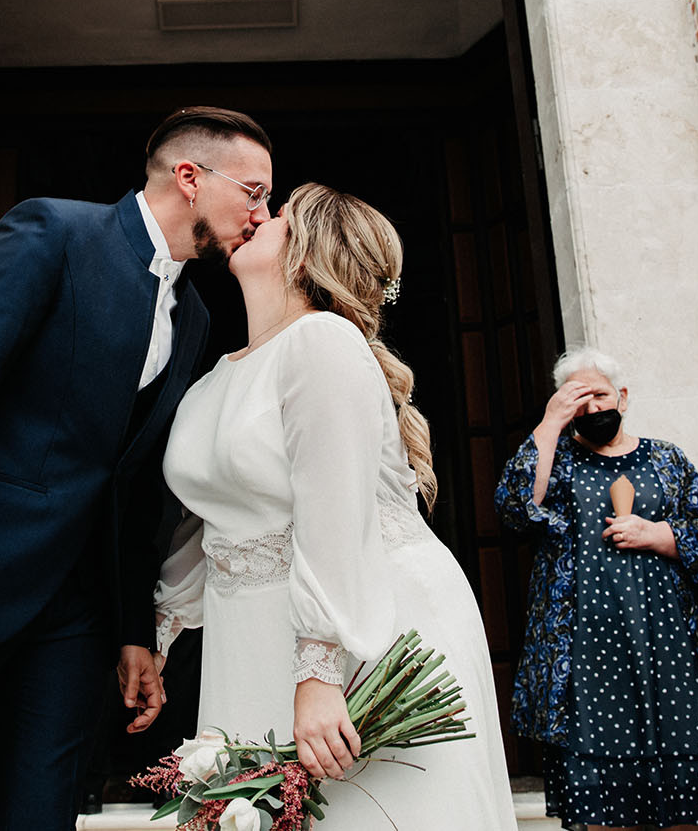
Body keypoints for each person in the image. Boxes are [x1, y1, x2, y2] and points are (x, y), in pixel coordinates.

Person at [0, 107, 270, 830]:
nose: (262, 214)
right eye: (254, 191)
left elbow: (134, 485)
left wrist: (134, 630)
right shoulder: (54, 232)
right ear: (190, 177)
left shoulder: (193, 315)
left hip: (75, 618)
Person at [153, 183, 516, 830]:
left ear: (305, 252)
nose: (256, 217)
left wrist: (320, 674)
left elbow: (334, 511)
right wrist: (158, 635)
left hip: (357, 627)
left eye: (278, 214)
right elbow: (208, 526)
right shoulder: (215, 378)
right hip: (250, 635)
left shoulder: (322, 342)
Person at [495, 347, 698, 831]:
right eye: (577, 400)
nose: (592, 408)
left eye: (600, 396)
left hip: (670, 650)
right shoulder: (558, 461)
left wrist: (660, 535)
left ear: (623, 397)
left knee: (691, 805)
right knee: (607, 812)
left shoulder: (666, 458)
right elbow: (514, 508)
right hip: (587, 656)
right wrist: (550, 423)